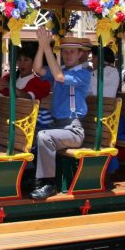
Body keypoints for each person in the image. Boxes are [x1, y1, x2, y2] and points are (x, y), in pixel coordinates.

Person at [29, 29, 91, 200]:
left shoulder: (83, 74)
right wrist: (42, 47)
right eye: (64, 51)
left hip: (73, 130)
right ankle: (34, 177)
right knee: (32, 134)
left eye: (72, 51)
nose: (67, 54)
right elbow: (37, 69)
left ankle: (49, 183)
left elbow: (59, 76)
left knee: (44, 136)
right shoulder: (62, 68)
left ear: (81, 54)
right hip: (58, 126)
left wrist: (48, 47)